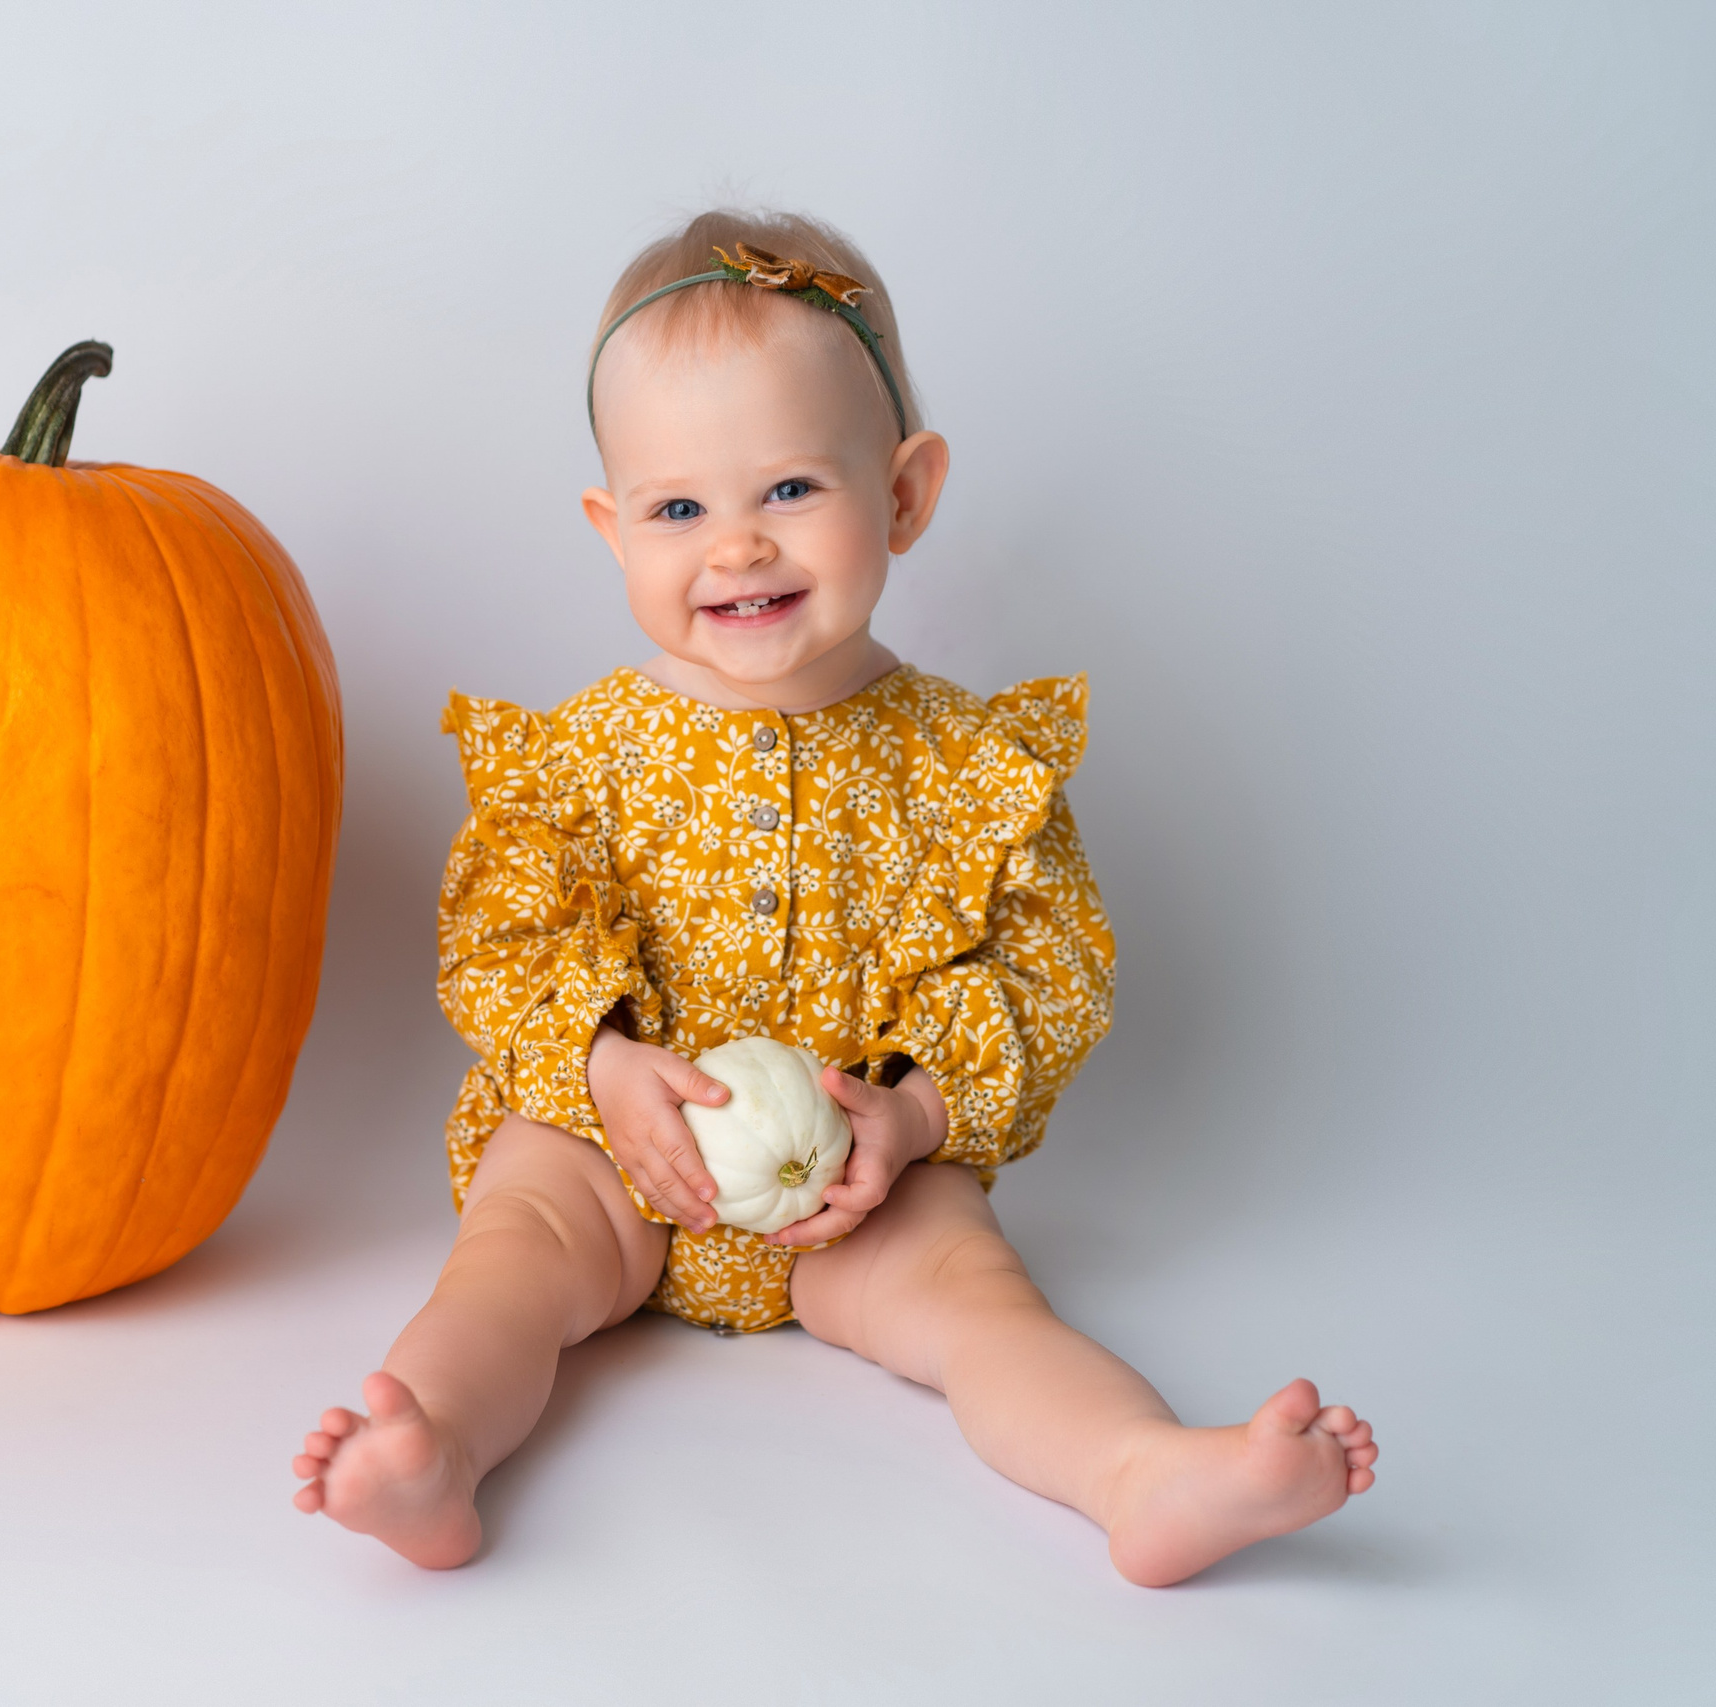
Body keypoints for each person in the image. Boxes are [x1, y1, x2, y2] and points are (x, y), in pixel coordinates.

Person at [289, 210, 1376, 1584]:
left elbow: (1047, 975)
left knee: (976, 1298)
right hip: (614, 1156)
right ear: (610, 528)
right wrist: (604, 1067)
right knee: (515, 1252)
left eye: (790, 489)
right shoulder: (579, 762)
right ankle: (431, 1448)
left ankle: (1139, 1472)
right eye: (679, 508)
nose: (736, 548)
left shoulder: (970, 766)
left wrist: (912, 1114)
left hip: (866, 1184)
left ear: (906, 495)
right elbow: (507, 938)